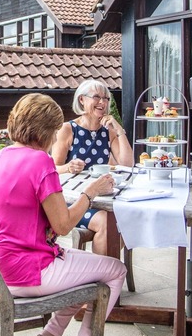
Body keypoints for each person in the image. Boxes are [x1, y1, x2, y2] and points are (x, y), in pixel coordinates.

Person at [0, 93, 126, 336]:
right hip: (28, 272)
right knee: (115, 271)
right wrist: (92, 192)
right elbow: (63, 226)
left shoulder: (0, 157)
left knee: (83, 271)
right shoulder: (40, 162)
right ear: (47, 131)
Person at [51, 79, 133, 259]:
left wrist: (119, 130)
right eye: (96, 97)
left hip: (103, 198)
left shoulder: (108, 131)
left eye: (106, 98)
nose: (102, 102)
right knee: (107, 222)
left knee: (126, 221)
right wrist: (69, 167)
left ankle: (105, 276)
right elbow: (53, 169)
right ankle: (103, 277)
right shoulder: (68, 129)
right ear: (82, 100)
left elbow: (127, 164)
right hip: (73, 202)